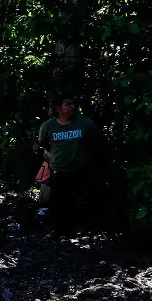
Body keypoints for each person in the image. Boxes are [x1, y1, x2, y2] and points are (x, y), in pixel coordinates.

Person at [38, 95, 100, 236]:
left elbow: (94, 140)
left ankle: (79, 229)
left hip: (80, 168)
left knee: (78, 199)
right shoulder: (48, 126)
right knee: (59, 201)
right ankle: (60, 230)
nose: (72, 106)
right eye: (68, 104)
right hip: (58, 170)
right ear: (58, 108)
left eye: (73, 103)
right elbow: (44, 144)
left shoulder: (84, 122)